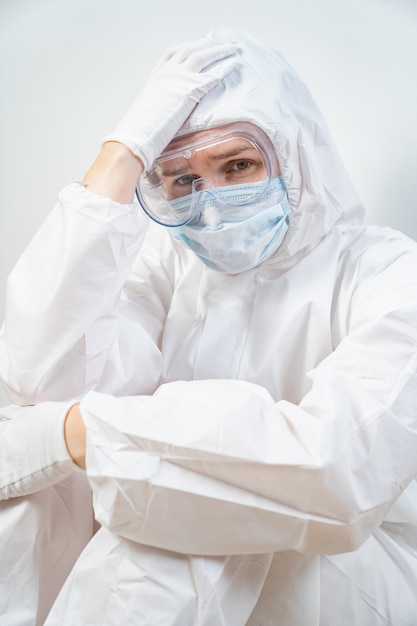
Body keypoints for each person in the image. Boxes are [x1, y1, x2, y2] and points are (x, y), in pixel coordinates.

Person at [0, 27, 417, 626]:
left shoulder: (389, 272)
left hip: (354, 576)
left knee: (180, 515)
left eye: (239, 164)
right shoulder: (171, 269)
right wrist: (119, 156)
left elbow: (334, 476)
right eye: (181, 180)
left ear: (296, 152)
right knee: (35, 498)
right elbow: (44, 377)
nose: (211, 205)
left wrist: (81, 433)